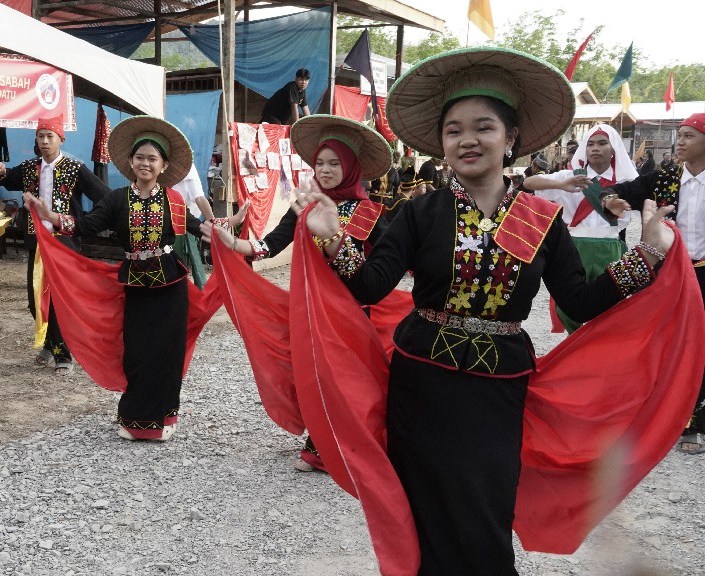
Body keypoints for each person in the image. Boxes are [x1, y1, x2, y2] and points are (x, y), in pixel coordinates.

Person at [291, 47, 696, 574]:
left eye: (484, 127)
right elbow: (369, 287)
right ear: (441, 144)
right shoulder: (420, 211)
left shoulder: (543, 219)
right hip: (420, 384)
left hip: (497, 387)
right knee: (424, 511)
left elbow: (580, 301)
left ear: (512, 140)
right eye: (454, 130)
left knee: (486, 510)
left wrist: (650, 253)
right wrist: (331, 241)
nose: (468, 140)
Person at [207, 114, 404, 472]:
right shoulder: (306, 206)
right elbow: (271, 245)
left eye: (334, 164)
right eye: (320, 163)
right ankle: (325, 441)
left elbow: (389, 267)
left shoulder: (371, 213)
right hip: (311, 308)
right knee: (315, 374)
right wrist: (234, 243)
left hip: (352, 311)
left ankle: (340, 447)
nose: (325, 170)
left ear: (352, 168)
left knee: (347, 377)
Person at [23, 116, 209, 441]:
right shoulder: (117, 199)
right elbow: (86, 225)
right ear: (130, 162)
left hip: (172, 282)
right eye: (140, 158)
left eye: (153, 158)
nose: (145, 163)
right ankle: (136, 418)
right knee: (136, 350)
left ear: (164, 165)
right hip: (134, 282)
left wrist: (224, 231)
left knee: (167, 350)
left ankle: (165, 415)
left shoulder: (174, 200)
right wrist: (50, 216)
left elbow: (199, 228)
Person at [602, 112, 705, 455]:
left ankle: (694, 419)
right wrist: (612, 202)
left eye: (689, 135)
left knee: (701, 343)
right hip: (670, 271)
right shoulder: (664, 180)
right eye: (681, 135)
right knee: (664, 338)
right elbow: (617, 192)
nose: (681, 142)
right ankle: (658, 411)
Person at [0, 114, 110, 375]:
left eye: (50, 137)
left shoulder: (75, 169)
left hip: (63, 245)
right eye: (41, 136)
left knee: (58, 302)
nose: (44, 141)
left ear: (60, 139)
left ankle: (63, 355)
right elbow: (9, 178)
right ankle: (48, 342)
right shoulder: (29, 167)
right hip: (37, 243)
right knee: (35, 300)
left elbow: (104, 196)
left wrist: (83, 222)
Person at [524, 124, 637, 333]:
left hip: (610, 246)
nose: (595, 148)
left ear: (614, 149)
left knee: (610, 302)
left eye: (603, 143)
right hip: (574, 246)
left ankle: (600, 348)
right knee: (569, 306)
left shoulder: (627, 181)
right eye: (591, 144)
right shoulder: (572, 175)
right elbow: (530, 182)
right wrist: (561, 185)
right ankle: (574, 344)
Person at [171, 164, 214, 288]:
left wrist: (213, 224)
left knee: (182, 265)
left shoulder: (187, 172)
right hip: (174, 225)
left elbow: (200, 199)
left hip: (184, 225)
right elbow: (199, 199)